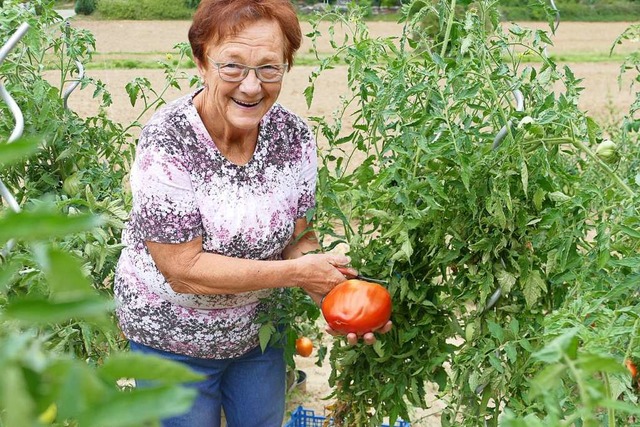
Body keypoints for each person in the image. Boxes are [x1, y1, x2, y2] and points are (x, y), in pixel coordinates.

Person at [113, 0, 392, 426]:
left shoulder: (292, 136)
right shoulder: (167, 142)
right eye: (233, 67)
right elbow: (182, 269)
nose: (251, 86)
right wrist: (299, 275)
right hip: (171, 340)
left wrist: (335, 298)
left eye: (268, 68)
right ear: (201, 62)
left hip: (259, 333)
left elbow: (299, 240)